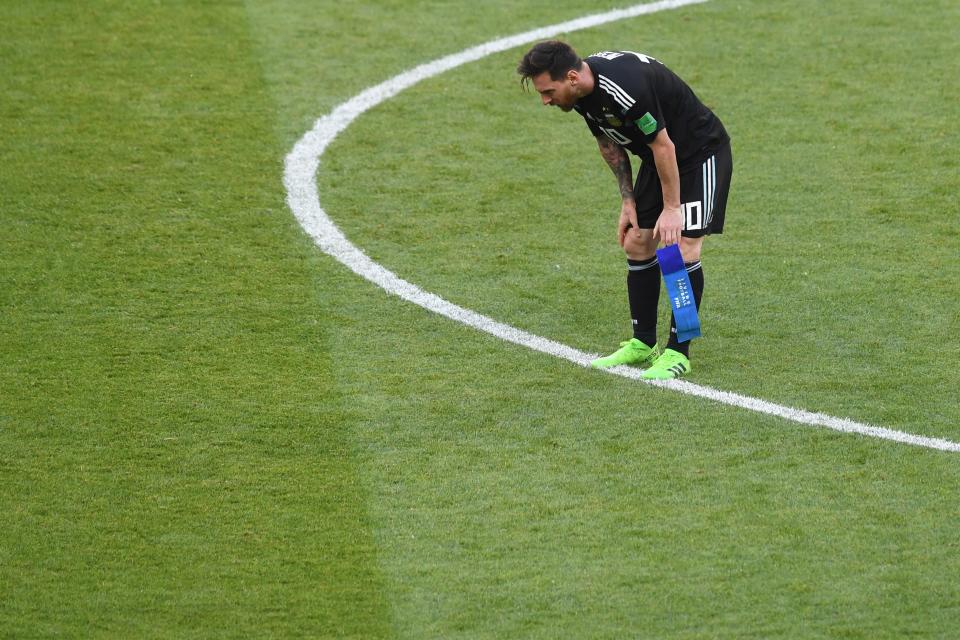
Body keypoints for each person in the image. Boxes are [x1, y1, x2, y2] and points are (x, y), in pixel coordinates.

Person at [517, 41, 733, 379]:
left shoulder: (624, 88)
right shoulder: (580, 94)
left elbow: (665, 145)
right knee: (636, 241)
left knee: (680, 248)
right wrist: (628, 200)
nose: (545, 100)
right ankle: (643, 341)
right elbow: (608, 143)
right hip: (658, 158)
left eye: (547, 91)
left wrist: (672, 208)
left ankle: (679, 352)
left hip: (698, 153)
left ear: (571, 77)